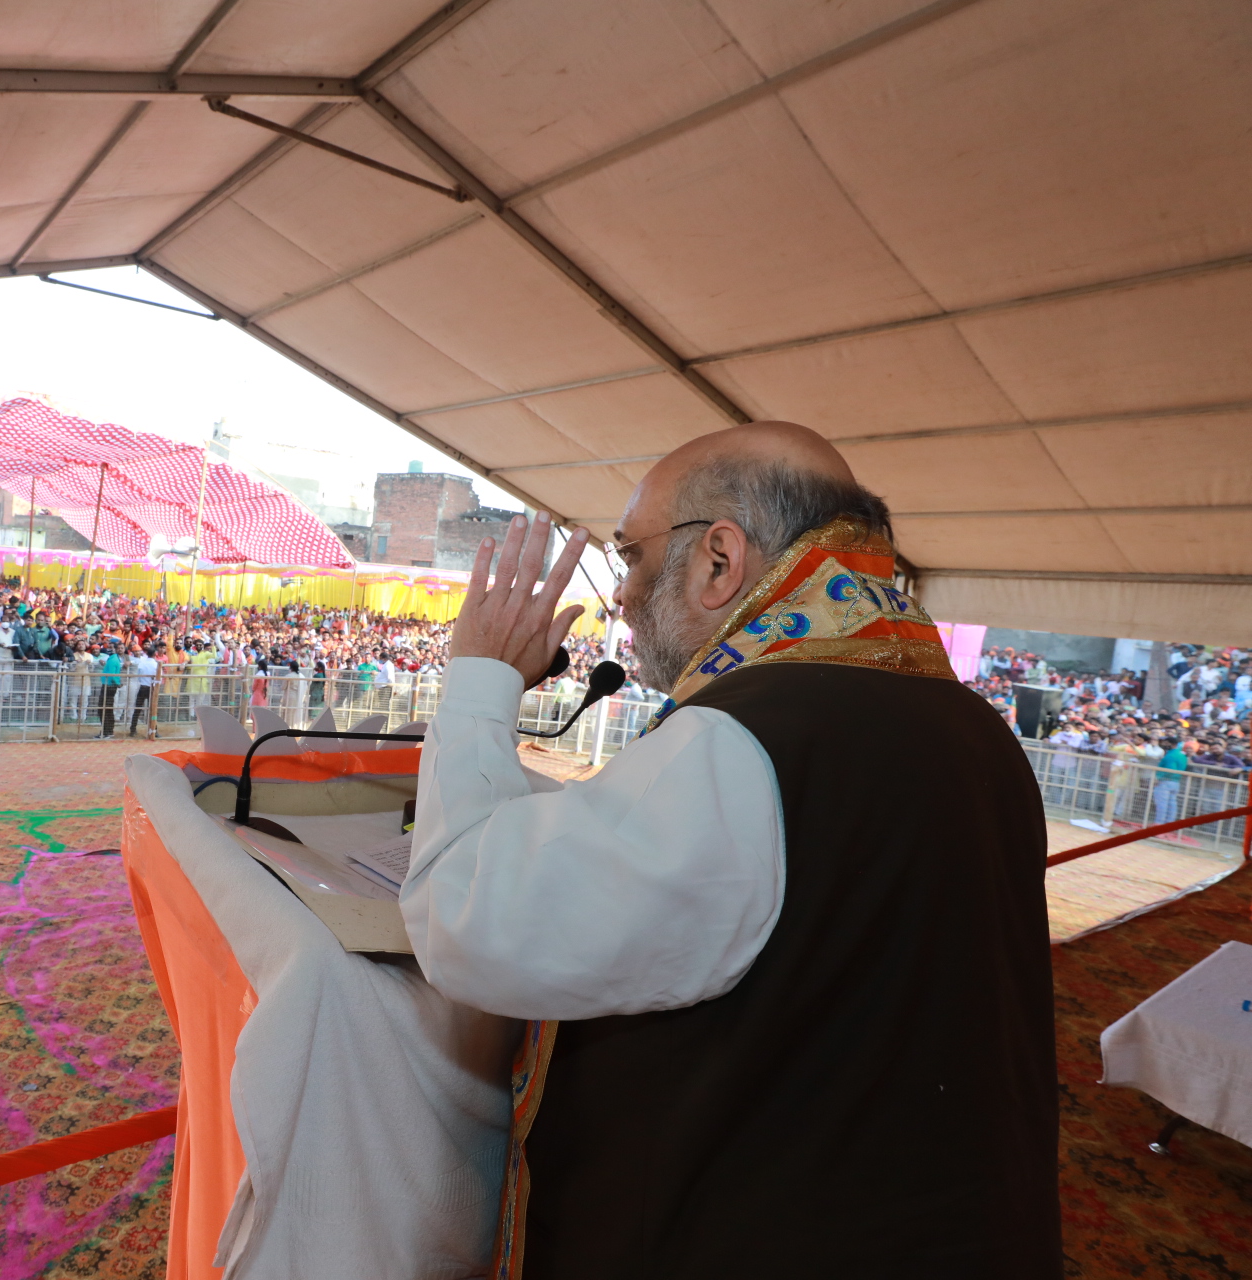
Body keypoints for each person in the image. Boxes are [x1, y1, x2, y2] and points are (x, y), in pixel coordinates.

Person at [404, 422, 1059, 1277]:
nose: (623, 597)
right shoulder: (978, 729)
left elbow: (467, 922)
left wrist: (481, 679)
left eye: (632, 557)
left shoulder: (746, 736)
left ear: (719, 560)